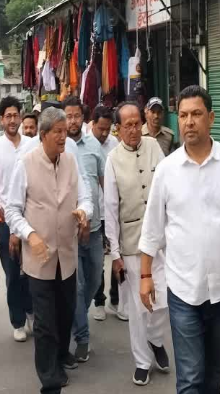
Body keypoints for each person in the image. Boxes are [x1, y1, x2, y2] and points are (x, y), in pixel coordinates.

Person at [139, 86, 220, 394]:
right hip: (183, 290)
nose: (189, 122)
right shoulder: (167, 170)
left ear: (211, 118)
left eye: (196, 114)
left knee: (214, 372)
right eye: (183, 115)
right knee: (190, 378)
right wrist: (145, 276)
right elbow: (152, 227)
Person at [5, 107, 92, 394]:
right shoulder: (26, 164)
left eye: (65, 131)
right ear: (43, 135)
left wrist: (83, 212)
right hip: (39, 259)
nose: (63, 137)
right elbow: (12, 210)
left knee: (66, 312)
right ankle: (49, 379)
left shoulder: (71, 161)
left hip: (66, 254)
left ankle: (61, 354)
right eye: (58, 132)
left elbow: (86, 197)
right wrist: (30, 235)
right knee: (44, 321)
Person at [105, 102, 170, 386]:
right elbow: (110, 208)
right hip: (131, 244)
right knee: (138, 307)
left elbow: (168, 188)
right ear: (118, 129)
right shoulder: (112, 159)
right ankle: (142, 361)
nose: (133, 130)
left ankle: (156, 339)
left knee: (164, 299)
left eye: (136, 124)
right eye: (127, 125)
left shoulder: (154, 147)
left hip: (161, 241)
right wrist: (115, 253)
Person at [0, 95, 33, 342]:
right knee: (13, 273)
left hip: (30, 218)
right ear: (1, 120)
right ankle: (18, 321)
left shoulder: (32, 145)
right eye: (8, 116)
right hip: (5, 221)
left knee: (33, 271)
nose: (12, 120)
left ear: (21, 117)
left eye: (16, 115)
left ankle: (32, 311)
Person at [62, 97, 105, 364]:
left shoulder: (94, 146)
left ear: (83, 117)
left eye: (77, 115)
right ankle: (82, 336)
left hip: (96, 226)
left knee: (95, 280)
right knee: (77, 287)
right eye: (68, 116)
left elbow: (103, 183)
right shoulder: (60, 147)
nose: (73, 121)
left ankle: (77, 315)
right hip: (71, 231)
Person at [90, 106, 125, 322]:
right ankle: (99, 301)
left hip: (113, 210)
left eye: (107, 129)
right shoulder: (85, 144)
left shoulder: (115, 145)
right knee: (97, 261)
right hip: (94, 212)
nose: (104, 133)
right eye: (100, 128)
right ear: (92, 124)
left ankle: (116, 299)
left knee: (116, 255)